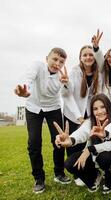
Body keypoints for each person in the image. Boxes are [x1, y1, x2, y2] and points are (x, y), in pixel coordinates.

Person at [14, 47, 71, 194]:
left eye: (61, 62)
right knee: (34, 143)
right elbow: (28, 79)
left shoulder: (62, 76)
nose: (57, 63)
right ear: (47, 58)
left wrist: (65, 84)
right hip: (33, 107)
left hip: (53, 108)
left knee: (58, 140)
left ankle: (59, 173)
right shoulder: (37, 66)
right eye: (54, 59)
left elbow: (66, 94)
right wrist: (25, 91)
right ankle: (39, 179)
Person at [54, 94, 111, 193]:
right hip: (93, 156)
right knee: (70, 163)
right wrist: (70, 140)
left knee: (104, 158)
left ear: (109, 107)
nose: (99, 111)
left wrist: (90, 149)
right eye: (95, 109)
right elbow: (81, 133)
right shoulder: (90, 122)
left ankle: (110, 178)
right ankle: (94, 177)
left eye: (103, 107)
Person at [61, 30, 104, 185]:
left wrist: (97, 47)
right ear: (80, 57)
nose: (88, 57)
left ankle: (92, 169)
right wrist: (78, 116)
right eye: (85, 55)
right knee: (73, 143)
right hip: (73, 114)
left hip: (90, 115)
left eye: (90, 55)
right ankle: (78, 173)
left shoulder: (98, 73)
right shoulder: (74, 71)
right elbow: (67, 95)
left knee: (89, 142)